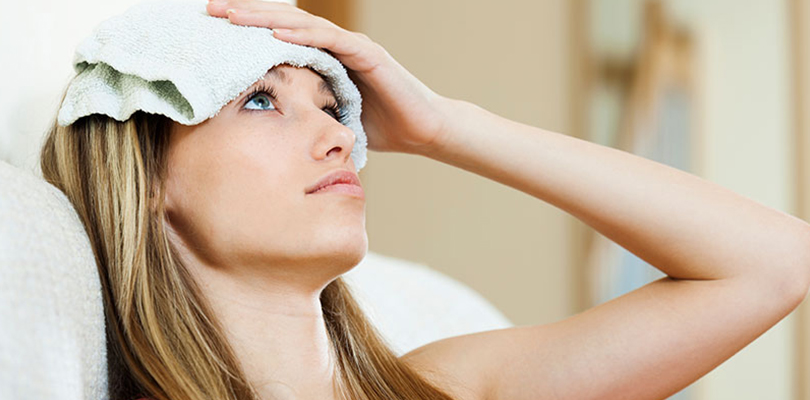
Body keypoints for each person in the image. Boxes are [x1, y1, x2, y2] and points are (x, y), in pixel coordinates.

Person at [39, 0, 810, 399]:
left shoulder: (451, 387)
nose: (341, 137)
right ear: (147, 180)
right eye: (262, 103)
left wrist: (447, 126)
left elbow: (774, 263)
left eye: (333, 106)